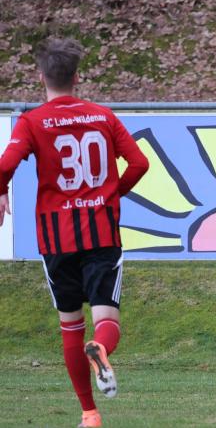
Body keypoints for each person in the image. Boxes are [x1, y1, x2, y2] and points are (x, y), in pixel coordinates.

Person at [0, 37, 149, 427]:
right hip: (101, 231)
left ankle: (89, 412)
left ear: (41, 78)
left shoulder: (32, 121)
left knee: (70, 322)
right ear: (77, 77)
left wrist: (1, 193)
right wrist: (112, 193)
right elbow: (139, 163)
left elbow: (4, 166)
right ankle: (101, 348)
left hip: (57, 237)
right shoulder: (102, 115)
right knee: (106, 316)